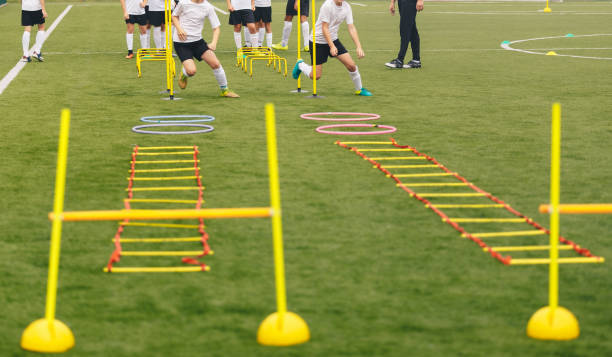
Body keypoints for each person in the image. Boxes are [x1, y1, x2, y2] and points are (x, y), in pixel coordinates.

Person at [291, 0, 371, 96]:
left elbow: (351, 27)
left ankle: (359, 89)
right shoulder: (327, 5)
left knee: (351, 65)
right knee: (315, 76)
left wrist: (359, 46)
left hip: (333, 38)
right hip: (318, 41)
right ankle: (301, 65)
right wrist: (331, 46)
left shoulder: (347, 7)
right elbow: (325, 28)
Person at [173, 0, 239, 97]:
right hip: (181, 43)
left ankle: (225, 90)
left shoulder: (208, 6)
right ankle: (185, 73)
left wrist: (214, 43)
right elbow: (174, 16)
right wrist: (179, 29)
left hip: (198, 42)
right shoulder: (183, 3)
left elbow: (216, 28)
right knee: (191, 71)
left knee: (215, 63)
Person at [385, 0, 423, 69]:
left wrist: (420, 0)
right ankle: (416, 60)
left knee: (405, 29)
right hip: (402, 2)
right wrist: (392, 2)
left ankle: (400, 60)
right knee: (412, 30)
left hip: (410, 2)